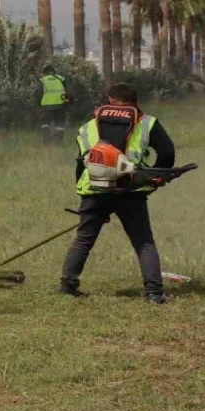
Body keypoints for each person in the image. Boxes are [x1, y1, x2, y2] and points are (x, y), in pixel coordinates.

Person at [60, 82, 176, 304]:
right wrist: (157, 176)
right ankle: (154, 293)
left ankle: (67, 285)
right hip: (130, 191)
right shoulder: (146, 123)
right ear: (136, 102)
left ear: (109, 100)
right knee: (143, 242)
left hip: (94, 190)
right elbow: (167, 152)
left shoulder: (90, 125)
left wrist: (84, 193)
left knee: (84, 239)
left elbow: (81, 162)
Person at [37, 64, 70, 142]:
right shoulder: (62, 79)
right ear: (54, 71)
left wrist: (38, 106)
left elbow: (39, 94)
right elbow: (68, 92)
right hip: (60, 106)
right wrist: (66, 103)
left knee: (45, 123)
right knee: (59, 124)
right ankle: (58, 141)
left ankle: (46, 140)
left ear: (45, 72)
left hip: (46, 107)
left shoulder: (43, 80)